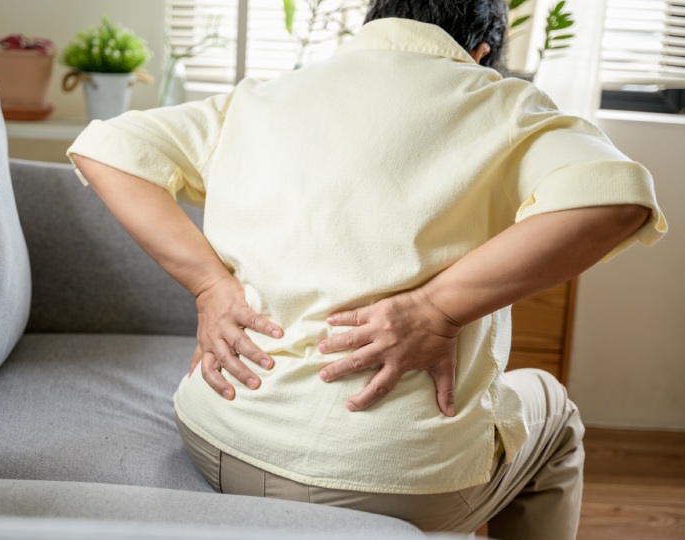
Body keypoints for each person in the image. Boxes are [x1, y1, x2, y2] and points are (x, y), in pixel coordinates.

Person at [66, 1, 667, 537]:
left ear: (372, 24)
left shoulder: (262, 96)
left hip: (217, 437)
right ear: (481, 51)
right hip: (397, 481)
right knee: (553, 412)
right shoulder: (502, 102)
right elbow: (615, 199)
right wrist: (437, 309)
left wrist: (209, 284)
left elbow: (107, 148)